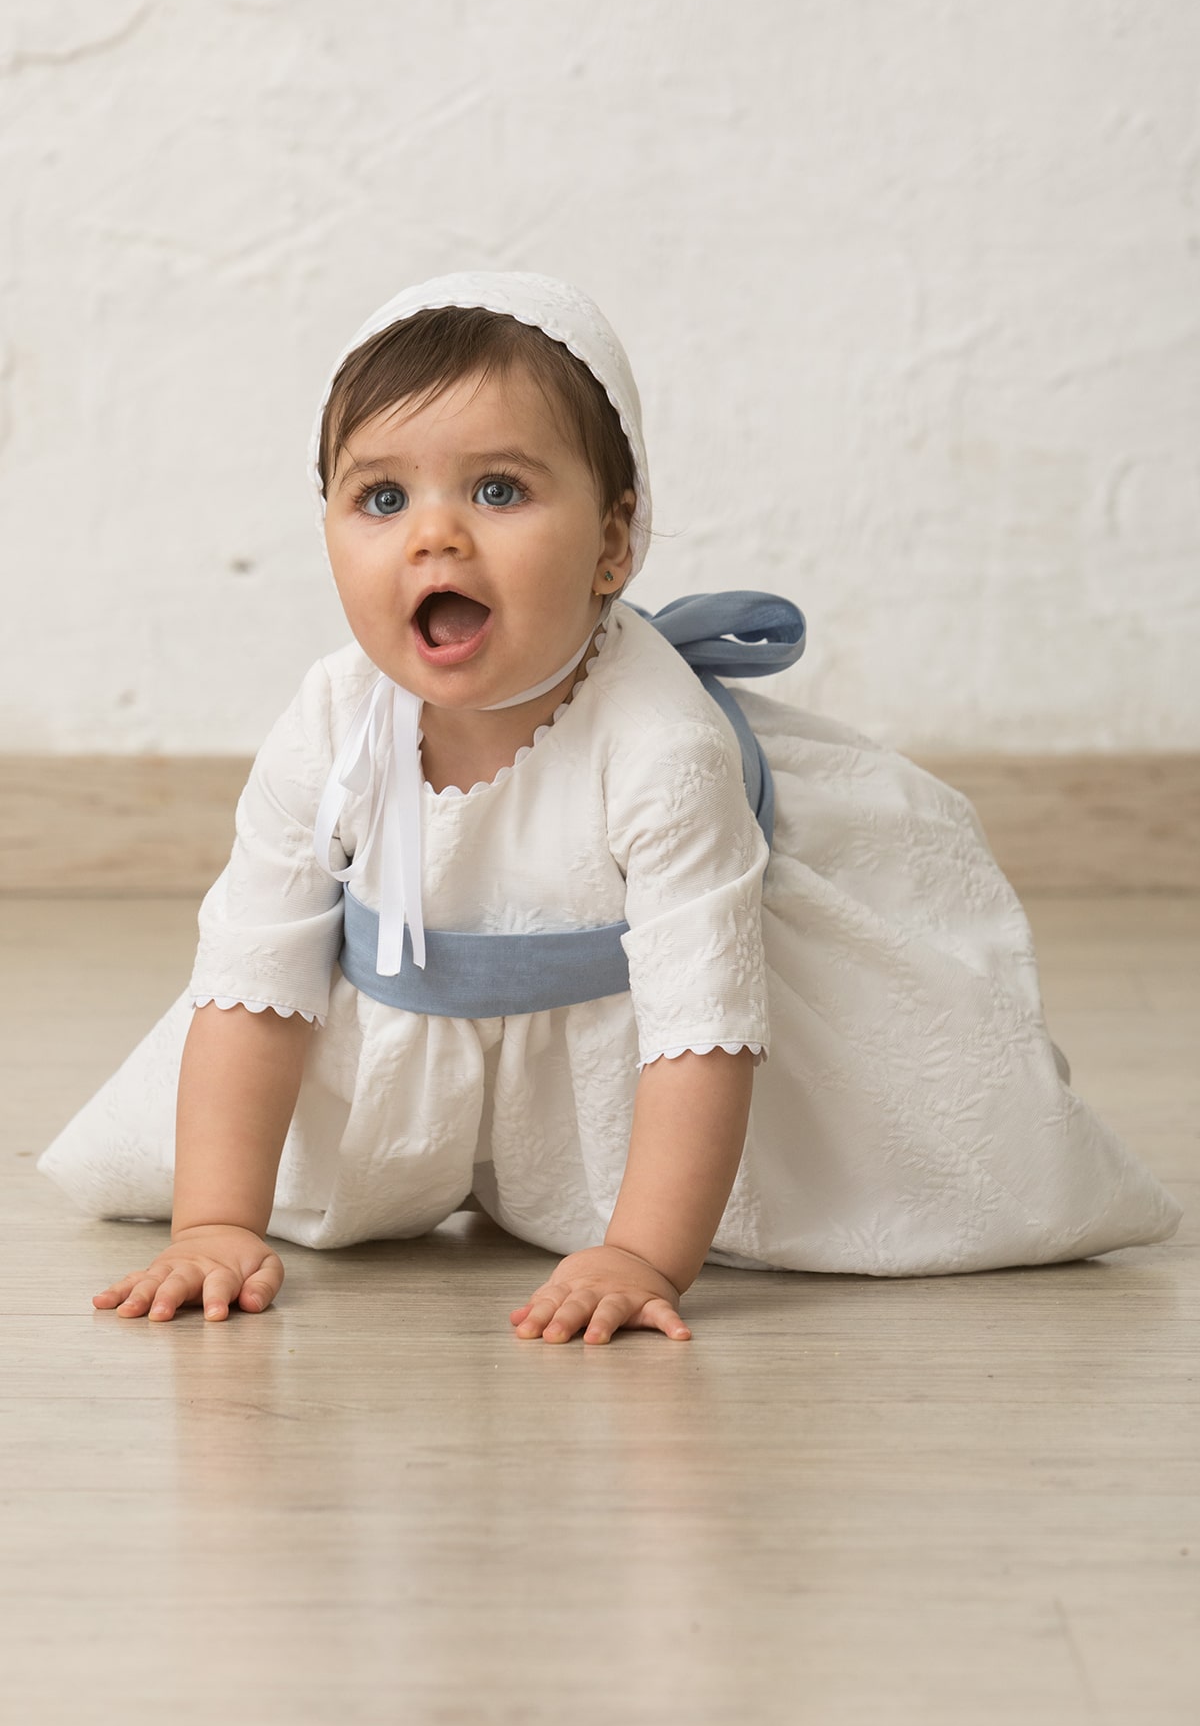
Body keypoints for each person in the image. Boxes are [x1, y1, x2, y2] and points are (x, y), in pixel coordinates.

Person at [38, 271, 1181, 1344]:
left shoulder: (659, 746)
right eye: (381, 496)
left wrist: (641, 1253)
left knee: (887, 1185)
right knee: (220, 1110)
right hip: (414, 1054)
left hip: (644, 1082)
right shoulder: (331, 720)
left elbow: (699, 1028)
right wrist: (216, 1224)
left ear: (613, 543)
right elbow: (256, 984)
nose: (435, 534)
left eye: (499, 489)